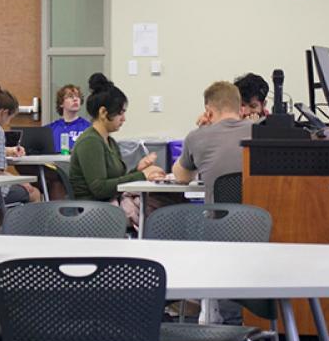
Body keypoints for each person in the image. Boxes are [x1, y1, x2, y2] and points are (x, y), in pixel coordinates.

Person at [68, 74, 165, 227]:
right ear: (103, 113)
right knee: (161, 211)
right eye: (120, 113)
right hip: (93, 210)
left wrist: (137, 169)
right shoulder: (90, 142)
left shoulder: (109, 141)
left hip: (109, 203)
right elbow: (100, 189)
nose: (124, 118)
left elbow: (116, 181)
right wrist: (141, 175)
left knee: (166, 203)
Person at [173, 81, 252, 203]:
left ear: (208, 112)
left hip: (218, 220)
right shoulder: (261, 132)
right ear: (241, 110)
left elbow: (182, 177)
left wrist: (202, 130)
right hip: (259, 218)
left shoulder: (196, 137)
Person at [48, 84, 91, 153]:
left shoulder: (88, 128)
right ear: (61, 103)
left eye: (78, 96)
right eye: (70, 96)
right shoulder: (50, 129)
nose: (75, 99)